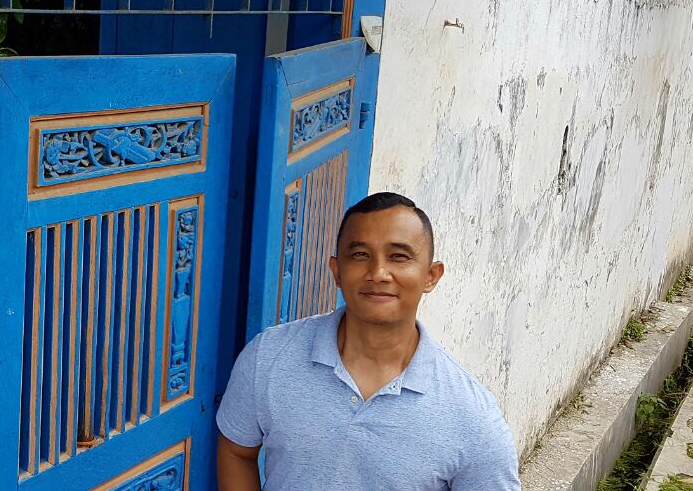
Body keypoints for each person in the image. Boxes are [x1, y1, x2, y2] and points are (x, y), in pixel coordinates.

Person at [215, 192, 521, 490]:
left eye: (398, 256)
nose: (378, 273)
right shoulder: (268, 356)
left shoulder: (473, 417)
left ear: (431, 276)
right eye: (360, 255)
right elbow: (237, 452)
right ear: (337, 271)